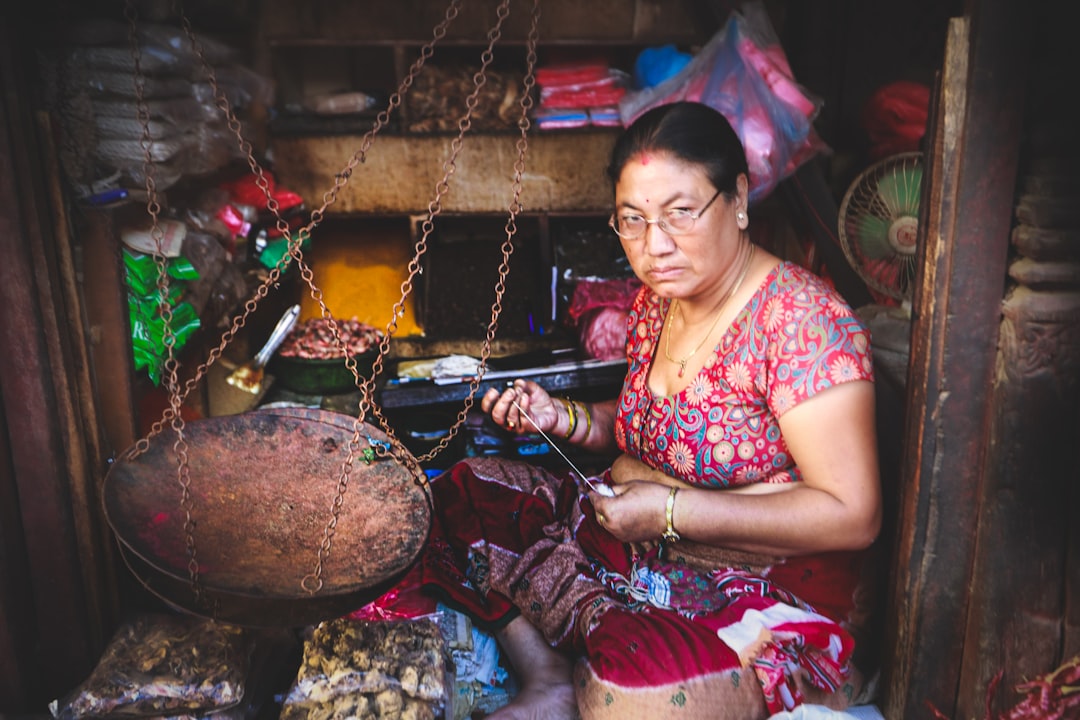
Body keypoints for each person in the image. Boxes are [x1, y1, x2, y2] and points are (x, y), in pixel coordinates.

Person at [419, 101, 882, 719]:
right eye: (631, 220)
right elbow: (647, 424)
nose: (654, 245)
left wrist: (668, 510)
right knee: (461, 490)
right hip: (632, 536)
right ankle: (551, 677)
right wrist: (563, 418)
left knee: (631, 695)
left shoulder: (800, 322)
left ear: (738, 199)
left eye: (680, 214)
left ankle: (610, 661)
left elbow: (852, 514)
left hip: (756, 583)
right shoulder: (655, 304)